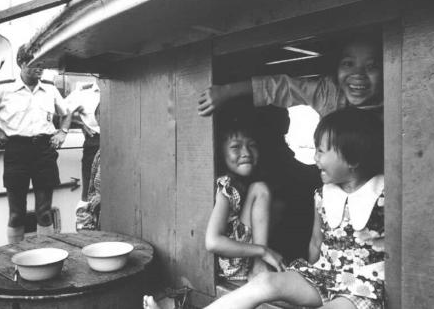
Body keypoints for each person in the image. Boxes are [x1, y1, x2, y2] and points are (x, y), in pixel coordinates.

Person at [143, 107, 385, 309]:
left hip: (362, 288)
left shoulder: (383, 194)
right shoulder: (322, 195)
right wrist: (304, 277)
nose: (315, 158)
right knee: (265, 283)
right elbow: (315, 243)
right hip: (323, 276)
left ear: (353, 159)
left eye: (321, 151)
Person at [0, 44, 73, 243]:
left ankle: (45, 255)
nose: (40, 68)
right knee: (16, 214)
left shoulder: (50, 90)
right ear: (21, 63)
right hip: (17, 151)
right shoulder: (4, 89)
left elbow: (66, 113)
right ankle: (15, 259)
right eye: (35, 63)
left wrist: (62, 132)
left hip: (44, 150)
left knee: (44, 212)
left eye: (43, 64)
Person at [197, 34, 383, 118]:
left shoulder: (396, 102)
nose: (358, 74)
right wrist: (226, 91)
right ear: (335, 67)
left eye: (371, 66)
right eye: (348, 63)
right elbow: (282, 87)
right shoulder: (329, 93)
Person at [204, 117, 287, 284]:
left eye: (252, 145)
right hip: (234, 268)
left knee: (278, 205)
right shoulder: (226, 188)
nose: (246, 153)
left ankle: (259, 266)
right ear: (220, 153)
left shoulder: (242, 184)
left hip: (243, 259)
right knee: (260, 189)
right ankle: (259, 267)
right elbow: (213, 242)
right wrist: (262, 252)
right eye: (235, 146)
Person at [65, 82, 100, 204]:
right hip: (95, 142)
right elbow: (60, 112)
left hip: (123, 142)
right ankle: (86, 221)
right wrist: (80, 123)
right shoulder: (83, 93)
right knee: (89, 192)